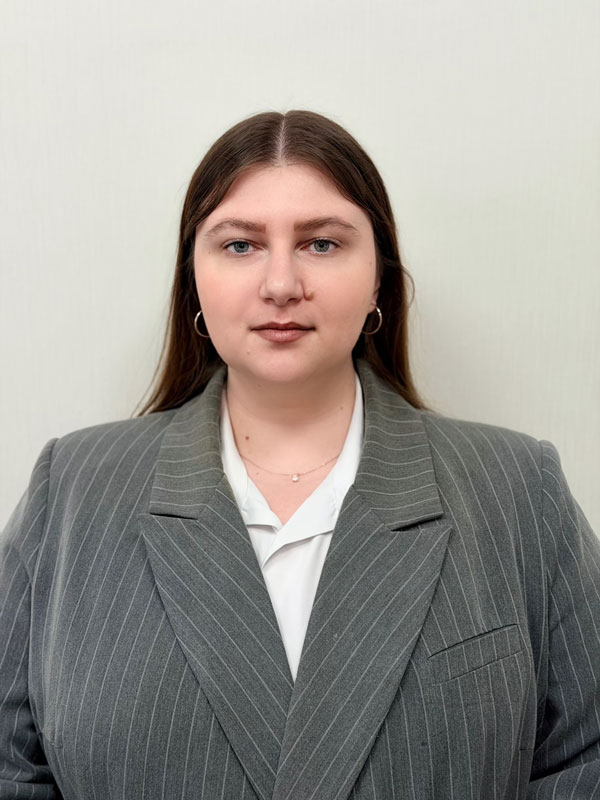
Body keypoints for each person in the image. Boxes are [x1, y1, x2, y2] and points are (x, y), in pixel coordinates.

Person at [1, 109, 599, 800]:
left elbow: (585, 760)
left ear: (378, 280)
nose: (281, 283)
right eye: (240, 245)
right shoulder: (72, 491)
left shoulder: (517, 489)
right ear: (193, 279)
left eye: (321, 243)